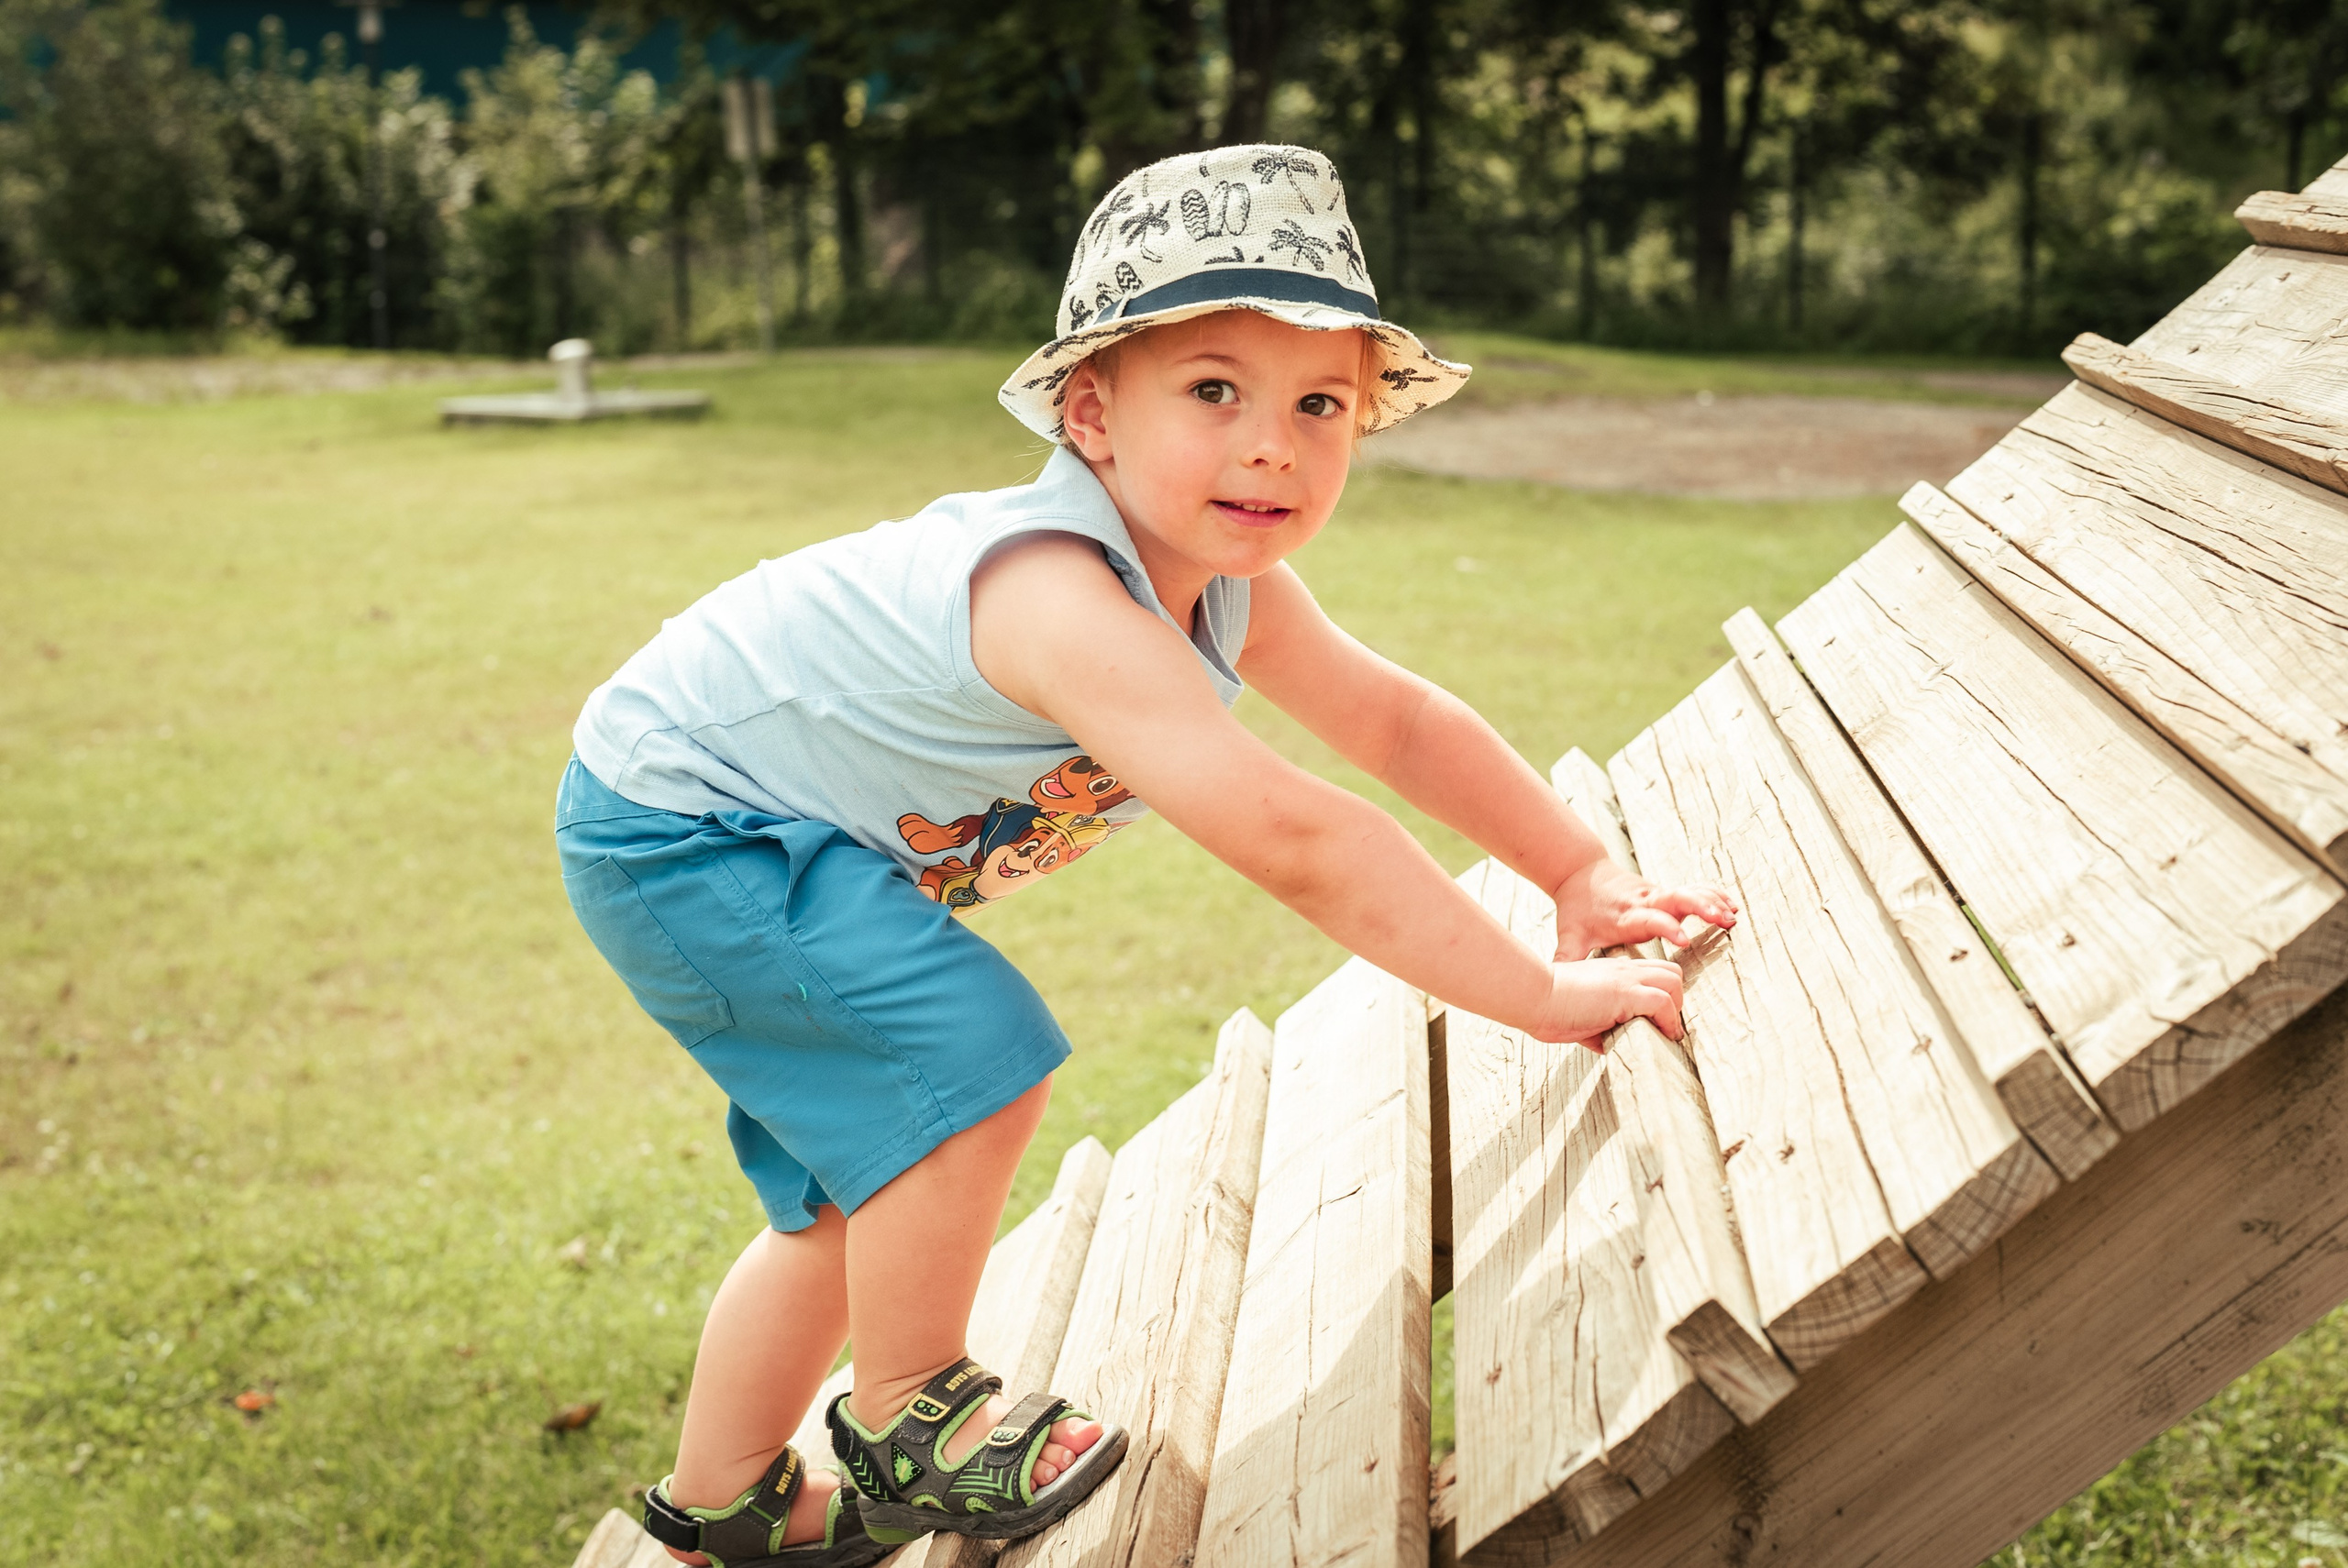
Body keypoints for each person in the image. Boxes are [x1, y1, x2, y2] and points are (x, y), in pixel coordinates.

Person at [554, 143, 1735, 1568]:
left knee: (847, 1191)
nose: (1271, 445)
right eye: (1215, 390)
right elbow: (1298, 834)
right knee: (969, 1054)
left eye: (1321, 405)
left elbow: (1396, 721)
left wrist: (1574, 873)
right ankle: (910, 1406)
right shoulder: (1056, 591)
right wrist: (1542, 999)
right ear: (1095, 412)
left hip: (745, 827)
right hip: (688, 821)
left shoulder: (1227, 588)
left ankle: (725, 1500)